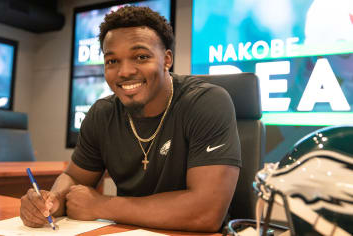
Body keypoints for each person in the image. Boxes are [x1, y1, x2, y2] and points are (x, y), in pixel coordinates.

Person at [20, 6, 241, 232]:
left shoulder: (206, 102)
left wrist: (103, 206)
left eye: (141, 56)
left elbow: (206, 213)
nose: (124, 72)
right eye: (112, 61)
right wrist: (52, 201)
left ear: (166, 59)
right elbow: (74, 178)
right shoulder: (101, 114)